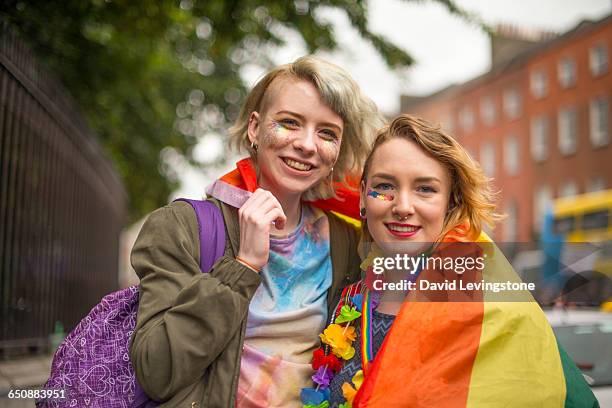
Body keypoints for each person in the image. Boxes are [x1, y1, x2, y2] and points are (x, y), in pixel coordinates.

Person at [129, 56, 383, 407]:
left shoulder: (348, 242)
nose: (308, 145)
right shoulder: (183, 227)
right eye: (290, 123)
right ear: (255, 128)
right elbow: (156, 371)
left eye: (327, 133)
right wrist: (243, 267)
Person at [315, 114, 598, 407]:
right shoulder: (344, 302)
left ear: (450, 203)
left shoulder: (485, 309)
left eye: (425, 189)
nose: (403, 206)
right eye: (385, 186)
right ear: (363, 196)